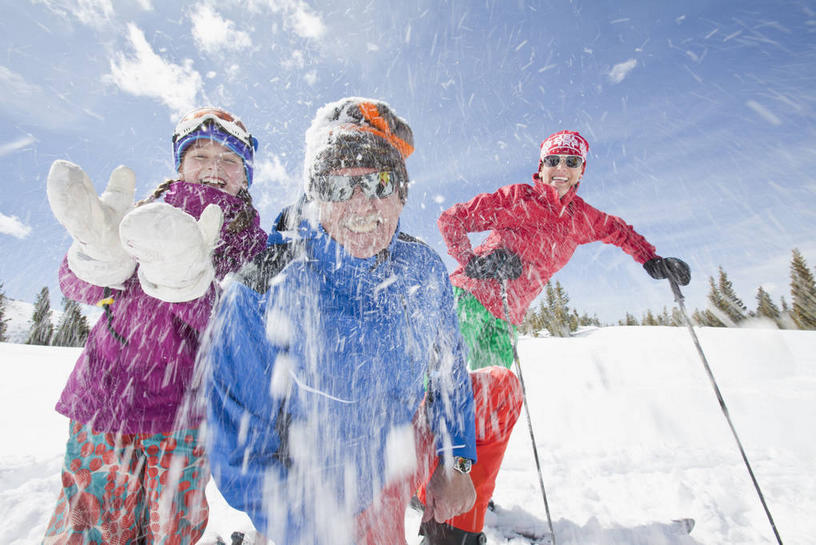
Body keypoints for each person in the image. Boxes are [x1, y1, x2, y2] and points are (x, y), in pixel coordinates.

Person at [204, 97, 522, 545]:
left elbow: (449, 379)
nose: (360, 204)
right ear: (315, 199)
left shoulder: (422, 270)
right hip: (327, 486)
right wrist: (305, 525)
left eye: (377, 182)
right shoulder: (263, 285)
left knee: (498, 390)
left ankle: (450, 530)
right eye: (337, 188)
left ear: (401, 193)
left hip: (397, 443)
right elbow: (239, 448)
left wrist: (457, 463)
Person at [41, 108, 267, 545]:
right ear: (180, 165)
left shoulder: (250, 244)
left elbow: (239, 333)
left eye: (229, 160)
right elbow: (78, 288)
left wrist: (192, 288)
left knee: (171, 530)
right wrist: (95, 257)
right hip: (102, 401)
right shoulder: (143, 214)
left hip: (184, 417)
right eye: (201, 155)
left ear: (246, 175)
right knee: (91, 528)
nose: (214, 169)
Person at [438, 130, 691, 370]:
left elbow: (619, 230)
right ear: (541, 167)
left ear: (581, 171)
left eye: (571, 161)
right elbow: (451, 219)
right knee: (438, 375)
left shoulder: (581, 218)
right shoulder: (519, 199)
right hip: (469, 298)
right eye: (552, 160)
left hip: (507, 317)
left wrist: (652, 260)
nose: (561, 168)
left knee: (492, 395)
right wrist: (471, 261)